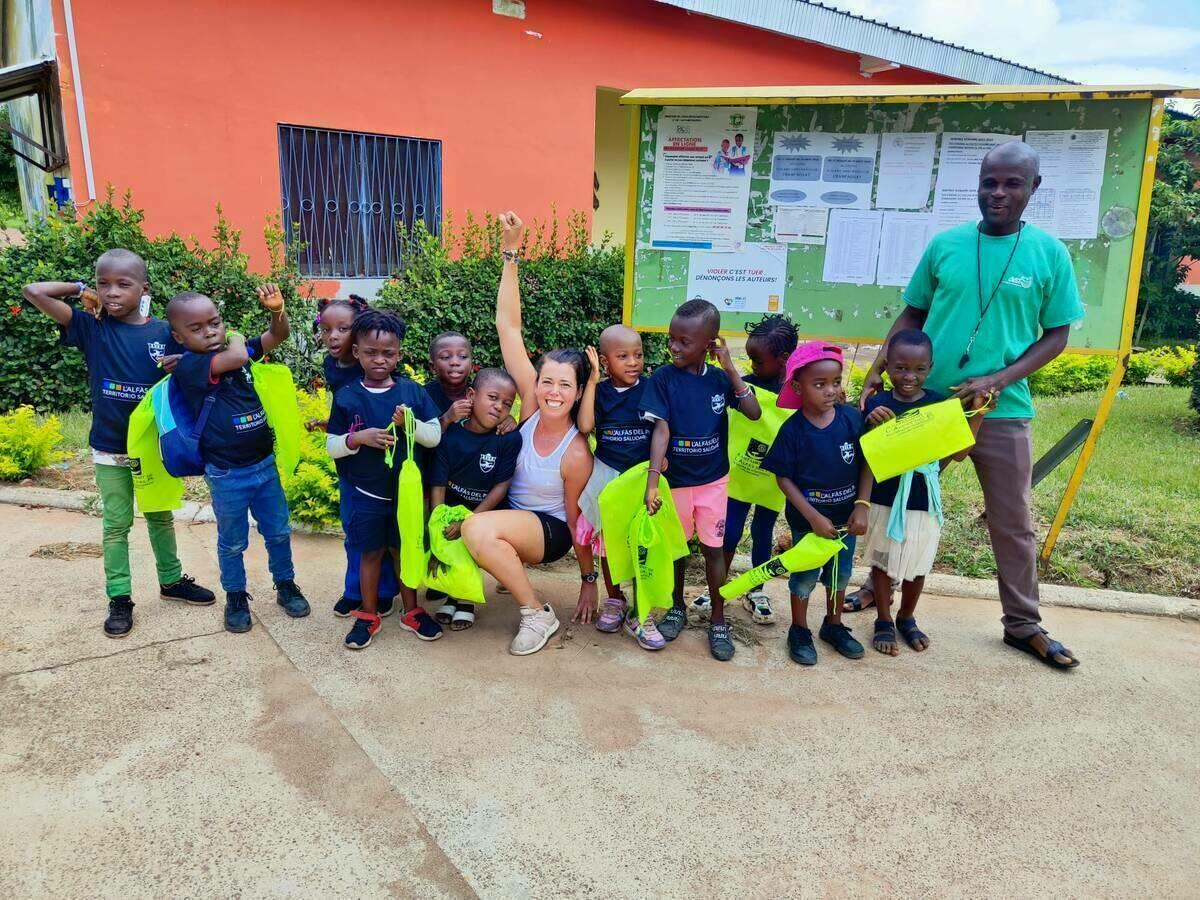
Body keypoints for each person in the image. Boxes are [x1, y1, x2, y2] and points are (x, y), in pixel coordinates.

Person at [861, 139, 1084, 670]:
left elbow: (1055, 335)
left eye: (1012, 183)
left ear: (1034, 188)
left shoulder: (1049, 253)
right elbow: (912, 315)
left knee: (1013, 520)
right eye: (990, 182)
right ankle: (879, 595)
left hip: (1001, 410)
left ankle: (1023, 624)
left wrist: (998, 379)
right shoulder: (946, 245)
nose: (998, 193)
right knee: (895, 507)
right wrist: (874, 373)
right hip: (925, 406)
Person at [22, 251, 215, 638]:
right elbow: (34, 291)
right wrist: (79, 290)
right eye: (102, 283)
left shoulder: (165, 333)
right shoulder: (92, 328)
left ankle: (172, 581)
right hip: (110, 448)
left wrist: (186, 363)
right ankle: (120, 598)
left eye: (123, 284)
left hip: (154, 448)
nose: (111, 292)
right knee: (116, 524)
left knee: (161, 515)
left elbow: (217, 347)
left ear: (144, 289)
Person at [459, 210, 597, 657]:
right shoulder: (531, 406)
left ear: (578, 393)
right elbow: (509, 328)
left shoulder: (575, 450)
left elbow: (577, 522)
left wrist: (588, 580)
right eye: (547, 381)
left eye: (565, 385)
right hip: (516, 516)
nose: (553, 392)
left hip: (550, 531)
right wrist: (511, 253)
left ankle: (537, 613)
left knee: (476, 530)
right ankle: (501, 563)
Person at [166, 285, 309, 633]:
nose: (210, 331)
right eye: (196, 328)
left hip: (264, 466)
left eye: (214, 323)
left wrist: (277, 311)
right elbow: (239, 356)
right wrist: (237, 334)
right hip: (227, 474)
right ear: (179, 337)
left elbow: (279, 335)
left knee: (278, 531)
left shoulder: (229, 351)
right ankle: (235, 595)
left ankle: (286, 584)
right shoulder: (192, 366)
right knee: (232, 541)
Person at [641, 298, 762, 661]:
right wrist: (651, 480)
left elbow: (753, 413)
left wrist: (729, 367)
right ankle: (677, 606)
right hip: (675, 482)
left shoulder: (719, 380)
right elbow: (660, 429)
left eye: (684, 341)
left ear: (709, 343)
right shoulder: (663, 378)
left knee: (713, 550)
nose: (674, 346)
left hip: (713, 483)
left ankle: (718, 617)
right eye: (672, 338)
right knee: (677, 549)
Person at [325, 310, 443, 650]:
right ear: (357, 352)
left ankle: (412, 610)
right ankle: (368, 613)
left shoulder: (413, 393)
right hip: (366, 494)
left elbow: (434, 436)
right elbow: (332, 445)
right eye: (371, 353)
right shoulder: (347, 396)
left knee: (404, 549)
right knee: (371, 553)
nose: (380, 359)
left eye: (388, 353)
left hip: (406, 495)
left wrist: (410, 426)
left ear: (399, 354)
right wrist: (358, 439)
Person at [761, 342, 871, 666]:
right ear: (797, 386)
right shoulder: (793, 430)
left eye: (835, 383)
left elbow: (868, 463)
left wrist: (862, 504)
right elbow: (783, 478)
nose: (829, 391)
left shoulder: (852, 420)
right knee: (806, 575)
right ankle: (799, 629)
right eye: (819, 384)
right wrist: (811, 517)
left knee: (840, 574)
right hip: (807, 524)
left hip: (845, 522)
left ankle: (833, 625)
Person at [691, 313, 797, 626]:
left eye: (758, 360)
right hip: (738, 476)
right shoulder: (743, 386)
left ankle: (755, 588)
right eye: (749, 359)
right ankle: (718, 589)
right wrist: (729, 368)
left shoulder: (796, 392)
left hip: (772, 482)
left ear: (784, 359)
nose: (752, 366)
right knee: (730, 531)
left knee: (763, 533)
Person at [305, 295, 402, 618]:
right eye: (326, 329)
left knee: (385, 534)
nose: (333, 336)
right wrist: (329, 425)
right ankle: (354, 588)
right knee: (354, 531)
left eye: (343, 329)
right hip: (349, 464)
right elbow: (345, 411)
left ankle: (384, 590)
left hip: (381, 470)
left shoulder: (381, 370)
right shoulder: (332, 366)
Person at [576, 324, 662, 650]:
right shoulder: (600, 391)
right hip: (608, 475)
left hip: (641, 479)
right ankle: (614, 599)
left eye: (638, 355)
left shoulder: (651, 389)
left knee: (642, 544)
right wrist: (594, 381)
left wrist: (660, 464)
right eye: (622, 356)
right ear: (604, 360)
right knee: (607, 542)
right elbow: (585, 426)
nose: (633, 362)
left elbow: (662, 430)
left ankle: (642, 611)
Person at [860, 329, 945, 656]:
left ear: (930, 368)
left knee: (918, 565)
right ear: (887, 366)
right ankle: (883, 618)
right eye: (900, 368)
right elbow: (865, 453)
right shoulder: (876, 403)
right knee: (882, 563)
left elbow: (959, 450)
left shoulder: (937, 404)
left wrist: (979, 411)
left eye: (918, 369)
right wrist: (872, 425)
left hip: (923, 499)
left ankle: (907, 616)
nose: (909, 376)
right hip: (884, 496)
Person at [428, 367, 522, 631]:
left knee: (471, 536)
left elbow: (501, 487)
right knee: (449, 536)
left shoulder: (508, 438)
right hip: (453, 506)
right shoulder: (450, 437)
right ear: (471, 395)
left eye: (507, 403)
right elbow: (437, 486)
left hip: (488, 511)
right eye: (492, 397)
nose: (499, 407)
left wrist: (469, 522)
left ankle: (466, 599)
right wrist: (436, 529)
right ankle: (453, 595)